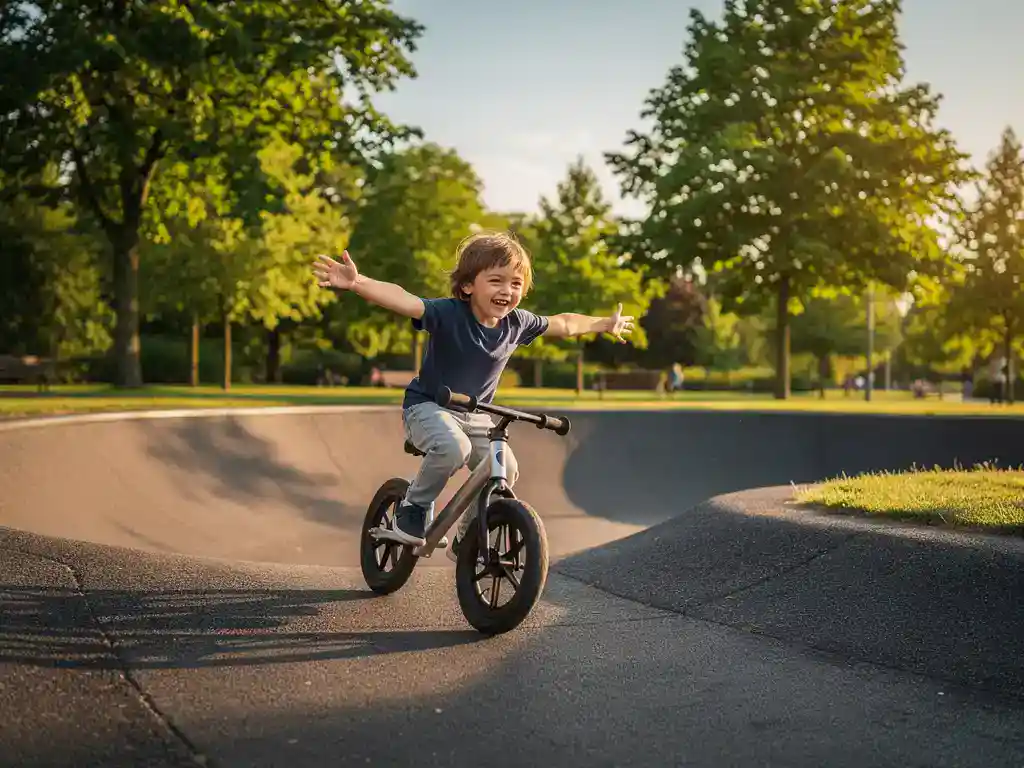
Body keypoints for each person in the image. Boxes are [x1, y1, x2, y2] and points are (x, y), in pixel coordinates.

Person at [311, 231, 633, 558]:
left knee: (505, 467)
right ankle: (413, 508)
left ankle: (469, 533)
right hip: (428, 406)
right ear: (467, 286)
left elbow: (563, 323)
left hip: (476, 416)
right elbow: (404, 299)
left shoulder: (518, 324)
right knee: (454, 447)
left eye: (516, 284)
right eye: (496, 281)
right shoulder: (449, 314)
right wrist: (357, 282)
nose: (507, 291)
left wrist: (604, 324)